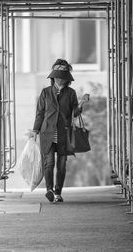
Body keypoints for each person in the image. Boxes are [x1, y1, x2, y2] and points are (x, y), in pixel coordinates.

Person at [30, 59, 89, 203]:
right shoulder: (45, 93)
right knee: (48, 163)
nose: (60, 78)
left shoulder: (71, 93)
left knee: (61, 165)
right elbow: (40, 113)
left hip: (64, 134)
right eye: (58, 75)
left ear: (67, 79)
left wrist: (81, 103)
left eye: (63, 76)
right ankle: (49, 190)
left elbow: (74, 114)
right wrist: (35, 131)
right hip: (47, 133)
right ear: (53, 77)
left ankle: (58, 192)